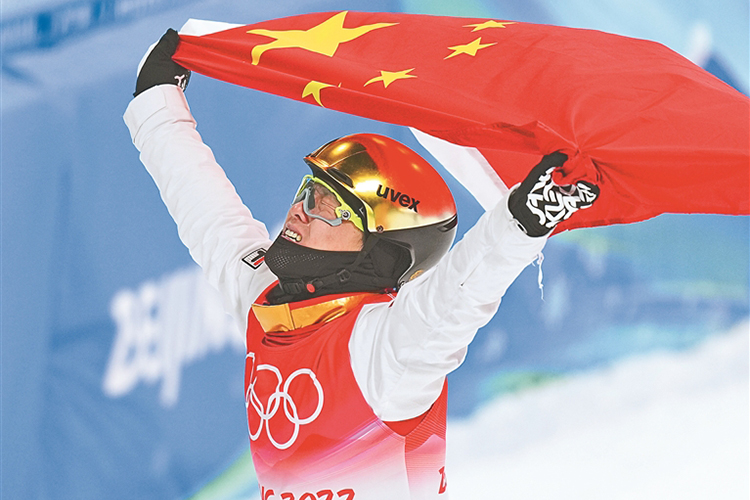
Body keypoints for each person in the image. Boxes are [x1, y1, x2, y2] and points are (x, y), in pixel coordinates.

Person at [124, 29, 599, 500]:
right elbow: (205, 209)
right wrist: (156, 102)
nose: (299, 211)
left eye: (329, 208)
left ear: (381, 250)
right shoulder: (267, 298)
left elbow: (460, 294)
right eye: (307, 191)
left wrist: (523, 220)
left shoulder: (384, 349)